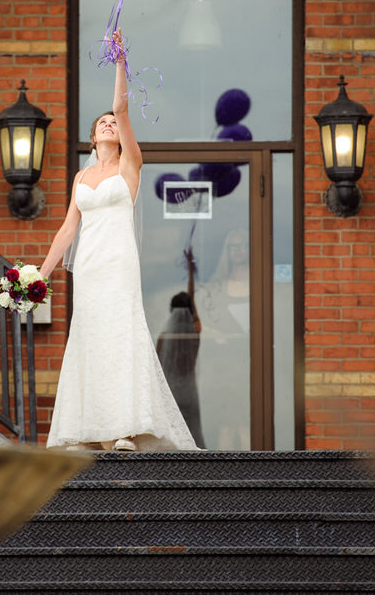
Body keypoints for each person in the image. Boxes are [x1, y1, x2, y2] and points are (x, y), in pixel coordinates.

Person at [39, 29, 198, 452]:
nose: (109, 124)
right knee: (91, 336)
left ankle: (125, 430)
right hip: (88, 267)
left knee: (120, 334)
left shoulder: (131, 165)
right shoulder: (81, 177)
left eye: (112, 123)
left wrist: (121, 63)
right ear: (93, 139)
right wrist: (40, 276)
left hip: (119, 262)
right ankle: (92, 428)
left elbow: (122, 107)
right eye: (103, 125)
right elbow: (67, 230)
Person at [196, 228, 250, 449]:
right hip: (222, 367)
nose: (237, 251)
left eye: (242, 245)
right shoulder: (216, 288)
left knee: (246, 424)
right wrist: (210, 332)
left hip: (250, 364)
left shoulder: (262, 284)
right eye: (232, 246)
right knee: (225, 425)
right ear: (226, 252)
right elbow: (198, 321)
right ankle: (221, 480)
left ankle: (254, 479)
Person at [156, 248, 205, 446]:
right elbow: (192, 301)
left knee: (171, 432)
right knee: (193, 429)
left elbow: (157, 364)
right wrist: (191, 272)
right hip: (189, 390)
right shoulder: (194, 332)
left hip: (171, 390)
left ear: (170, 311)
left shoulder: (163, 337)